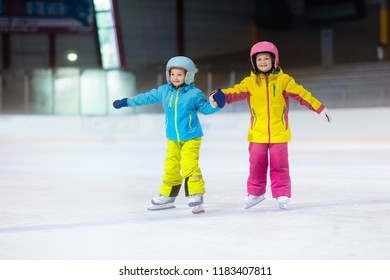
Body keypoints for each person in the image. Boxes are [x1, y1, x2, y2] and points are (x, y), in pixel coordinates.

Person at [209, 41, 331, 210]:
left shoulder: (284, 81)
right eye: (259, 59)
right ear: (254, 62)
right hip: (257, 133)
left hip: (279, 132)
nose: (263, 62)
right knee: (256, 163)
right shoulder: (249, 83)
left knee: (279, 164)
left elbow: (302, 94)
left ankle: (282, 194)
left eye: (267, 58)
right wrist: (219, 95)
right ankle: (256, 193)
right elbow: (234, 92)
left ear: (274, 60)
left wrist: (319, 108)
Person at [113, 56, 225, 214]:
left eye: (179, 74)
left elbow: (206, 109)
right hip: (172, 137)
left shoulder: (194, 93)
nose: (175, 77)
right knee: (170, 167)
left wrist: (217, 104)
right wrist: (128, 102)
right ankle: (167, 196)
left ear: (188, 75)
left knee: (189, 165)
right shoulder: (164, 91)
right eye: (172, 74)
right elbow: (146, 97)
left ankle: (196, 194)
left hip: (191, 137)